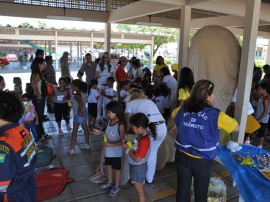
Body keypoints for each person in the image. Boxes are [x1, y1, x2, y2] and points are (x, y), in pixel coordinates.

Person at [174, 79, 239, 202]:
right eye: (213, 93)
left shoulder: (181, 110)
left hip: (182, 156)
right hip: (202, 161)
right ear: (208, 97)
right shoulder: (216, 115)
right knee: (200, 193)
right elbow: (236, 127)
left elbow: (174, 116)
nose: (214, 96)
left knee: (182, 190)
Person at [0, 91, 37, 201]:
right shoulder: (21, 129)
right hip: (27, 186)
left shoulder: (4, 144)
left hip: (13, 196)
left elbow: (1, 183)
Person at [125, 88, 167, 183]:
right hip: (163, 127)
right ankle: (149, 178)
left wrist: (128, 140)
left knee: (142, 153)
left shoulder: (130, 104)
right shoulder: (148, 101)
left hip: (150, 128)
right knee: (153, 152)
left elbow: (129, 125)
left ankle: (140, 178)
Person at [92, 101, 125, 197]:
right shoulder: (110, 122)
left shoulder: (120, 124)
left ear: (116, 112)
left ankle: (117, 186)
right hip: (108, 151)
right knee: (108, 166)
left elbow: (123, 141)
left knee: (117, 169)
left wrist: (111, 145)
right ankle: (110, 182)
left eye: (109, 112)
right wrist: (100, 133)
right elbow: (106, 133)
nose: (108, 114)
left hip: (116, 152)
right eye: (107, 112)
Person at [122, 113, 154, 202]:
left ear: (140, 128)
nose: (132, 129)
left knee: (140, 193)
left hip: (138, 168)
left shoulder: (145, 140)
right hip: (140, 167)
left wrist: (128, 149)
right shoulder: (143, 134)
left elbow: (137, 159)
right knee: (140, 189)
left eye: (133, 128)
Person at [68, 79, 90, 154]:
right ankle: (87, 144)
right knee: (85, 129)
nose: (71, 87)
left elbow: (81, 103)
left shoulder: (77, 95)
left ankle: (72, 149)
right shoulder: (84, 92)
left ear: (77, 87)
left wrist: (78, 111)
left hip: (79, 114)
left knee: (74, 132)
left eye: (73, 86)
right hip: (84, 112)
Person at [30, 57, 48, 142]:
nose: (45, 65)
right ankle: (39, 136)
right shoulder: (37, 74)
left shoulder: (38, 73)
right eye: (43, 63)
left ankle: (42, 133)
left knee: (40, 117)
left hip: (39, 98)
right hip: (38, 99)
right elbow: (33, 85)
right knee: (38, 117)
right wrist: (39, 95)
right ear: (39, 65)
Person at [96, 52, 114, 124]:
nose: (106, 59)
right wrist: (100, 76)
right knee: (99, 102)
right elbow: (97, 74)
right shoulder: (99, 65)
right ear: (102, 58)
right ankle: (98, 117)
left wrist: (111, 86)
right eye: (104, 57)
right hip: (100, 85)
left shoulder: (111, 65)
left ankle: (105, 116)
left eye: (107, 57)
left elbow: (112, 76)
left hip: (107, 86)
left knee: (106, 102)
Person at [255, 83, 269, 148]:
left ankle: (260, 145)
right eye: (258, 89)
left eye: (260, 89)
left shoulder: (266, 99)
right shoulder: (262, 97)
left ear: (264, 90)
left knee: (261, 134)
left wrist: (259, 120)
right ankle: (258, 143)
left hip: (262, 119)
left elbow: (266, 111)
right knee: (259, 132)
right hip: (259, 118)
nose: (258, 90)